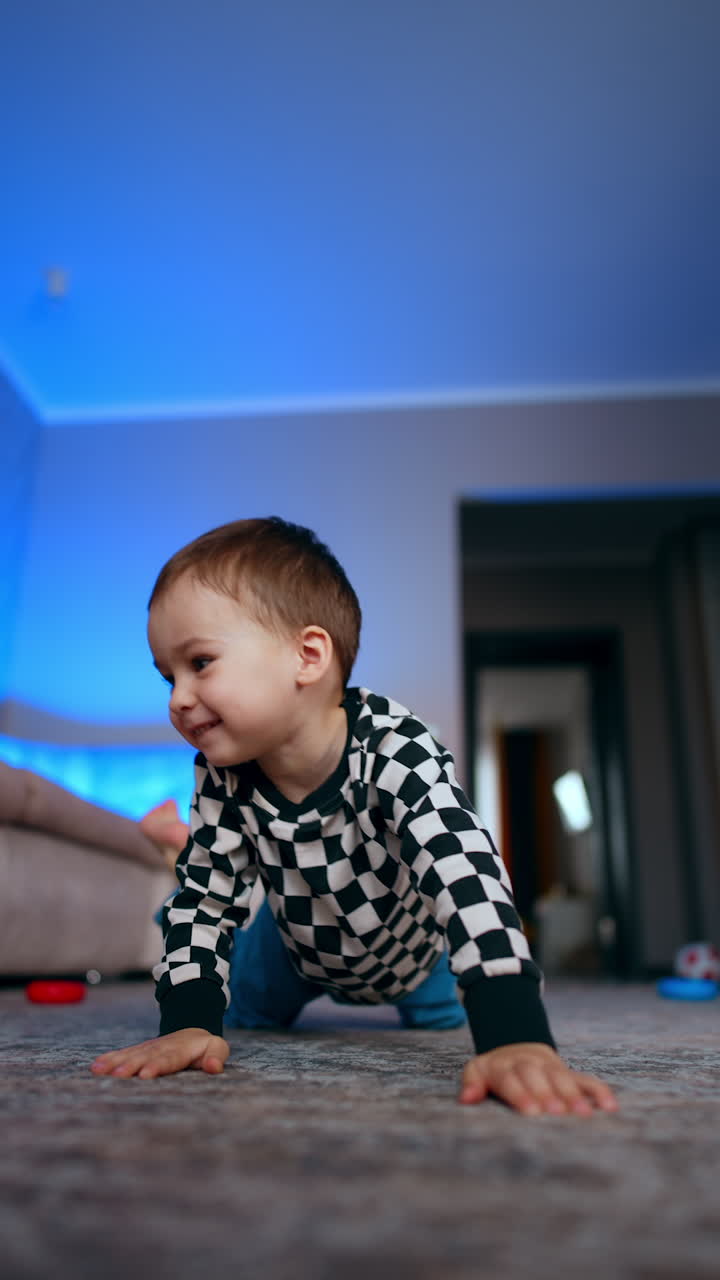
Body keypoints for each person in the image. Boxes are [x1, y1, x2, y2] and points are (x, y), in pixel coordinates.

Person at [91, 517, 618, 1117]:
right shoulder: (221, 772)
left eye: (200, 663)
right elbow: (209, 904)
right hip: (293, 948)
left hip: (417, 959)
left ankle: (175, 845)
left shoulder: (397, 750)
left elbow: (465, 872)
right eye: (168, 676)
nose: (177, 699)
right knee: (214, 959)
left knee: (454, 1014)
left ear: (308, 655)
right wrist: (186, 1022)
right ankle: (179, 848)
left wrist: (514, 1033)